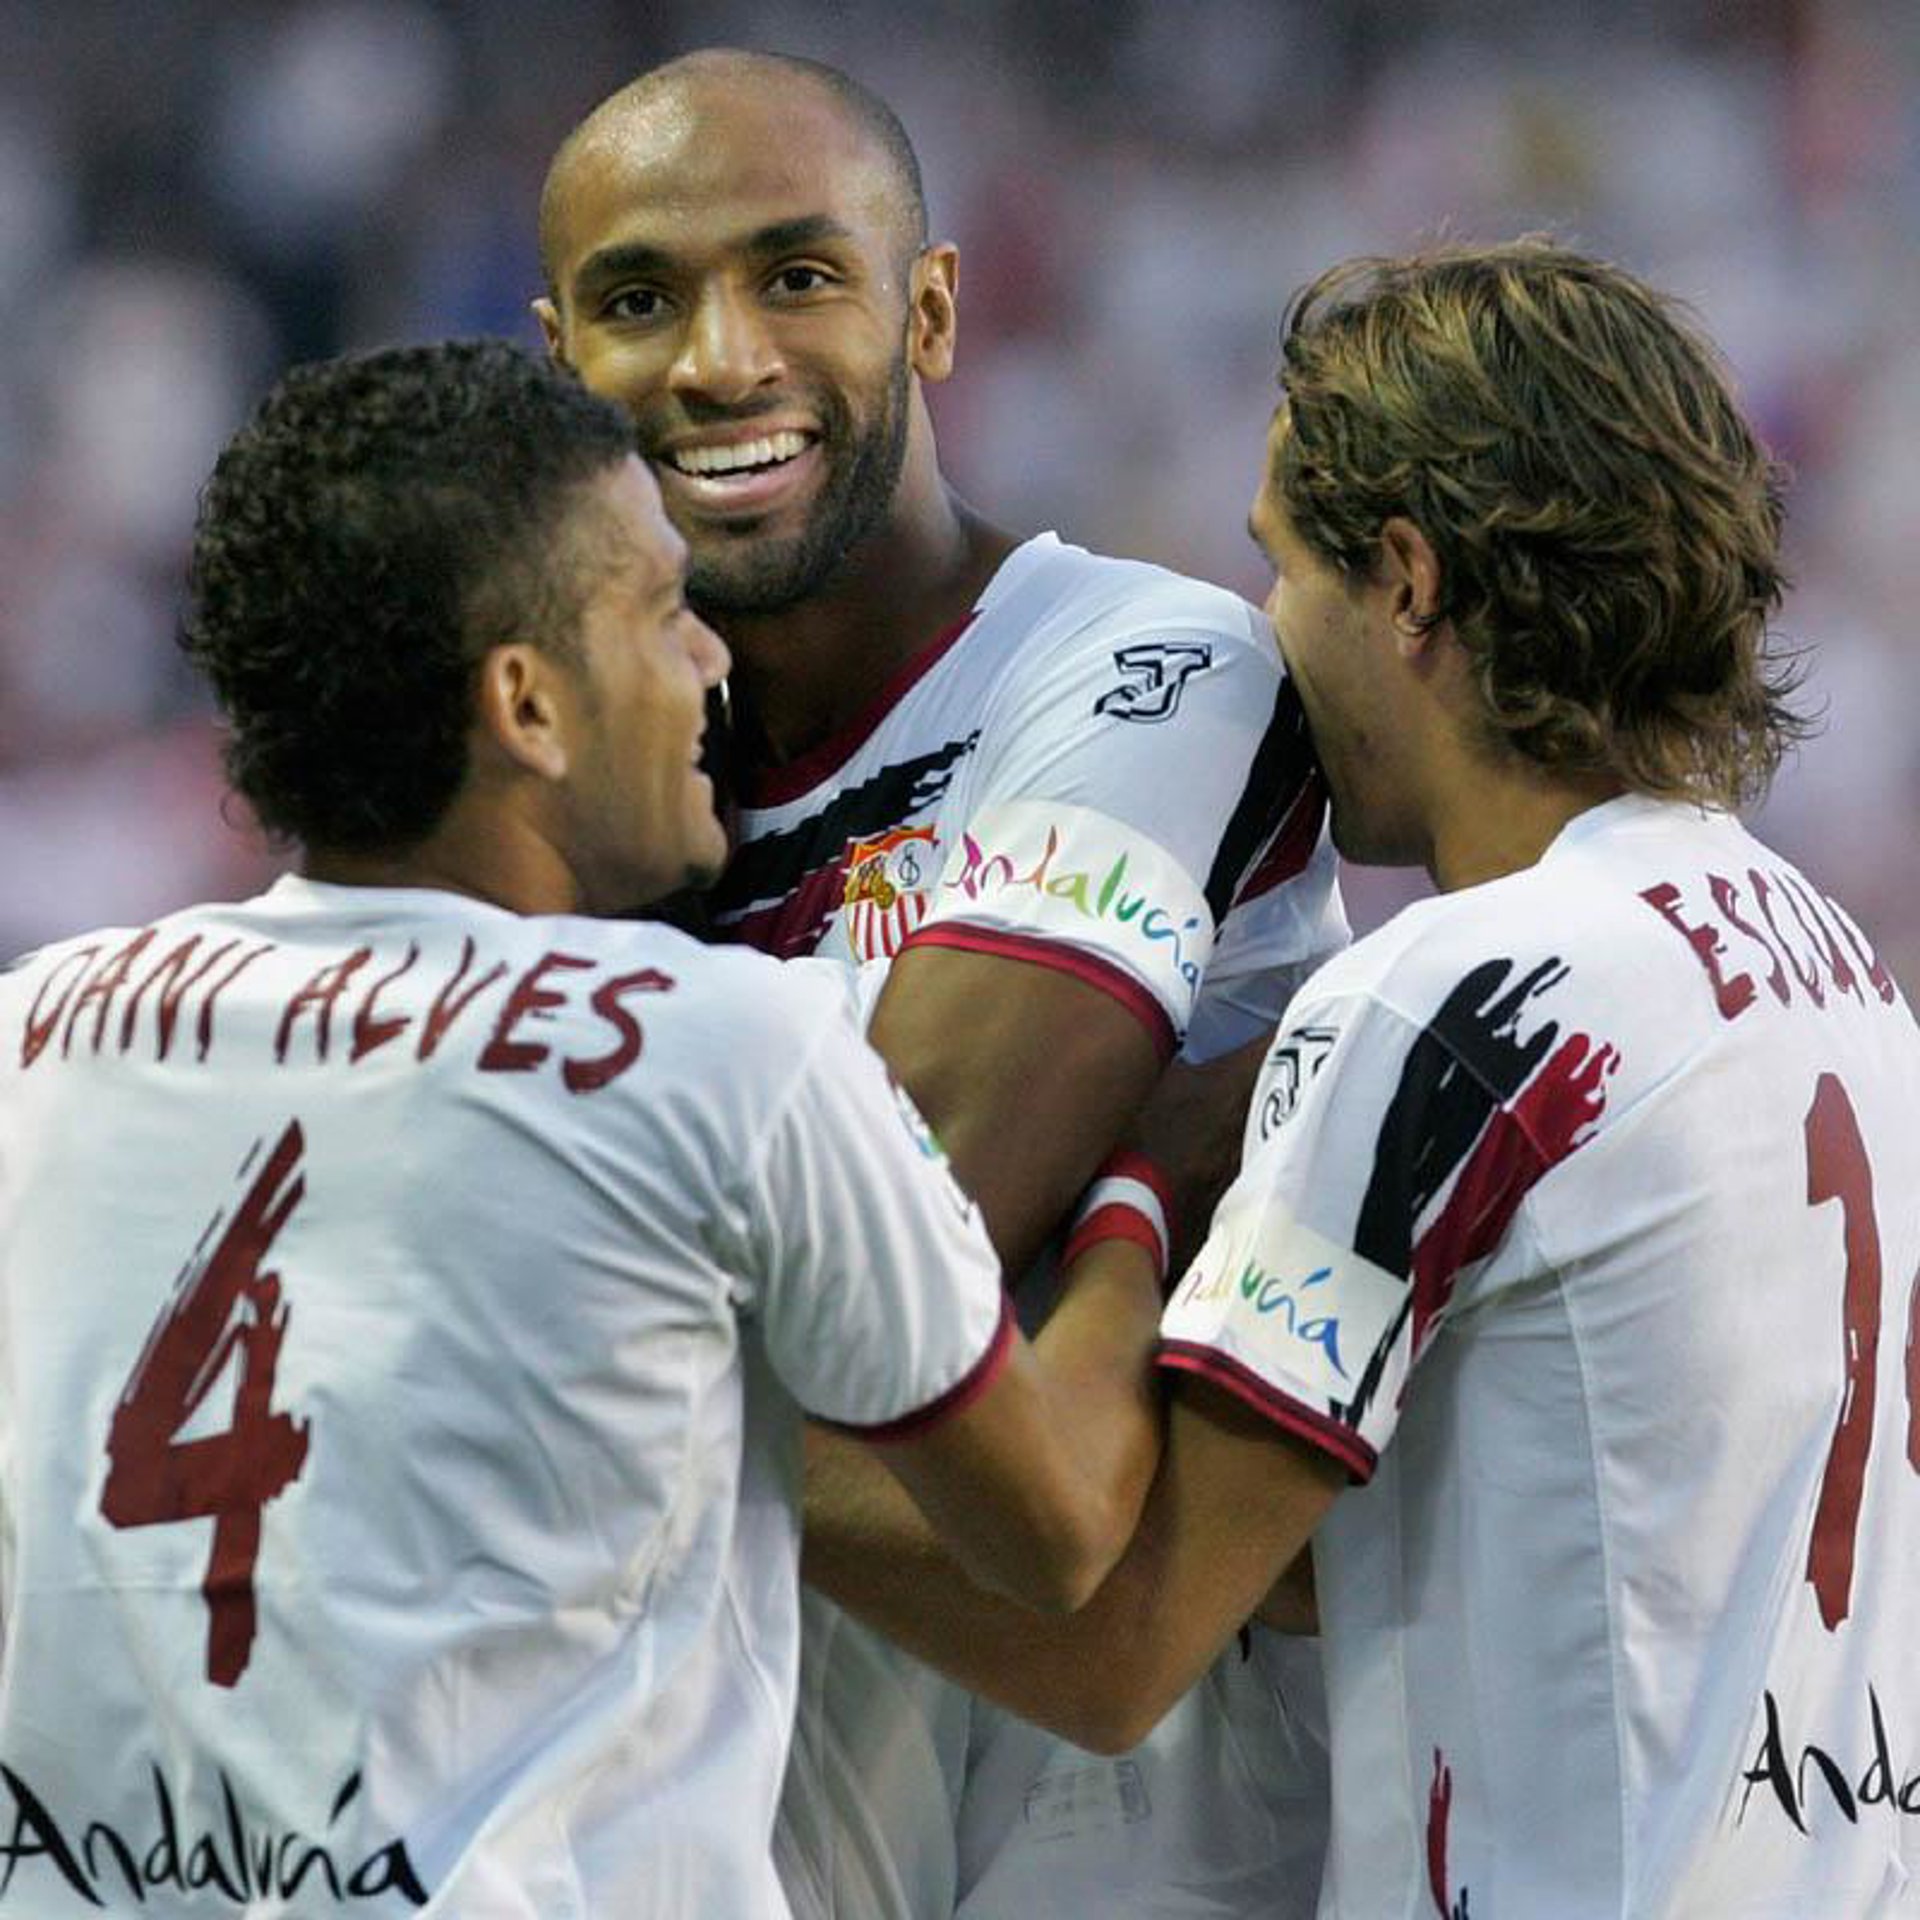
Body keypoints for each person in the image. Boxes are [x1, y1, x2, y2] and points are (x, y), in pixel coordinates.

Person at [804, 239, 1920, 1917]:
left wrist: (693, 1423)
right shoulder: (1849, 978)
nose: (1268, 632)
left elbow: (1112, 1642)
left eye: (1282, 567)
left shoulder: (1452, 1002)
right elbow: (1429, 1552)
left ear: (1406, 582)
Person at [0, 339, 1173, 1919]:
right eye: (660, 608)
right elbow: (1061, 1535)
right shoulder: (721, 1051)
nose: (709, 658)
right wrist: (1150, 1182)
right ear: (527, 703)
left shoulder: (32, 1035)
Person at [534, 49, 1347, 1920]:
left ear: (932, 311)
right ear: (556, 359)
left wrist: (511, 1323)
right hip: (736, 1830)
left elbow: (912, 1215)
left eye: (797, 275)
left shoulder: (1145, 666)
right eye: (640, 300)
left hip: (1120, 1835)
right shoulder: (558, 765)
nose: (720, 359)